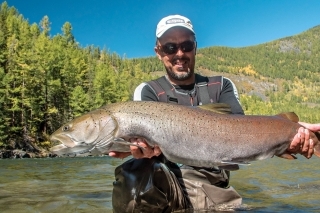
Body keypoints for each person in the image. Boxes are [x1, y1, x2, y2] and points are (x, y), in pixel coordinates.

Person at [109, 15, 320, 212]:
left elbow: (243, 132)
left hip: (211, 185)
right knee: (132, 172)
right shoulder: (147, 91)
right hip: (166, 184)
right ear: (158, 51)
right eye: (170, 47)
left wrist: (290, 132)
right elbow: (140, 146)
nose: (179, 53)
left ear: (195, 48)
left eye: (186, 45)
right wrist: (138, 149)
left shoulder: (221, 85)